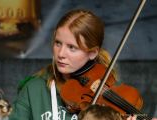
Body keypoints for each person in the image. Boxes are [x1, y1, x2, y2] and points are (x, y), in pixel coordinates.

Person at [8, 9, 146, 120]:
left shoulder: (112, 94)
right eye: (58, 43)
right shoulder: (34, 89)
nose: (60, 53)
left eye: (72, 47)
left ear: (92, 53)